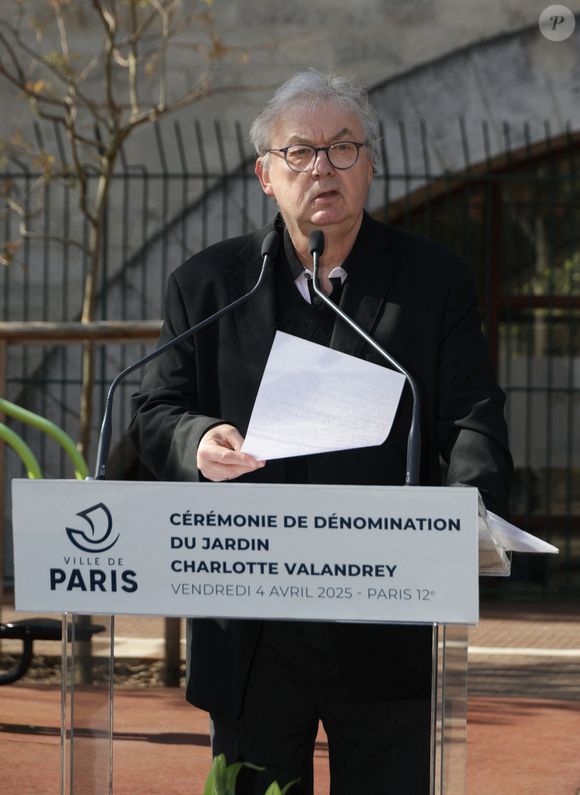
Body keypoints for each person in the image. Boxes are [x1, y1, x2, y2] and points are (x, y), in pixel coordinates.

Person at [129, 70, 513, 794]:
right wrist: (199, 438)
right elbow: (153, 410)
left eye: (343, 148)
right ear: (265, 176)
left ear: (370, 165)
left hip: (384, 609)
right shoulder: (209, 284)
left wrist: (472, 502)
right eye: (300, 151)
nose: (322, 168)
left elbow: (471, 416)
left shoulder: (435, 282)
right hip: (249, 618)